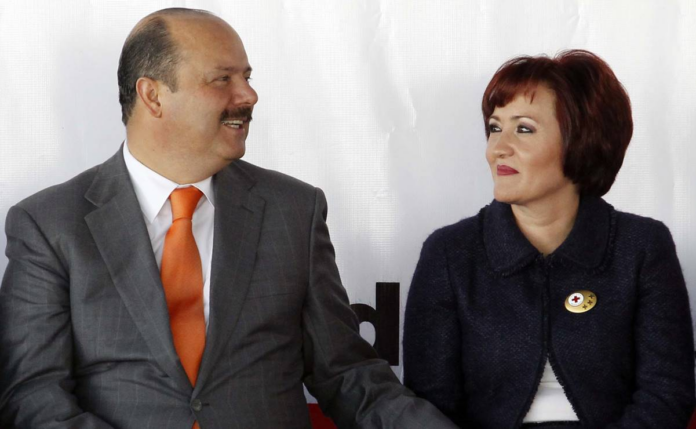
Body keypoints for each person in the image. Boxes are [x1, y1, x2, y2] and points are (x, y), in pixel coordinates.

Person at [0, 8, 457, 429]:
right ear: (153, 96)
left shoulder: (294, 210)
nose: (249, 95)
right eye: (222, 79)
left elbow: (348, 374)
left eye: (247, 77)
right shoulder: (50, 225)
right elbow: (33, 397)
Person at [403, 50, 695, 428]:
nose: (497, 148)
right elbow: (430, 407)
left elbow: (667, 394)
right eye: (495, 128)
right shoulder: (449, 253)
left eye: (524, 129)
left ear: (582, 139)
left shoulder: (642, 247)